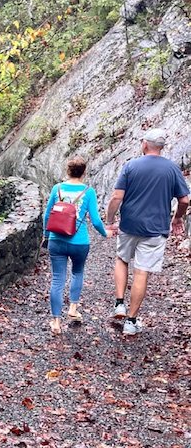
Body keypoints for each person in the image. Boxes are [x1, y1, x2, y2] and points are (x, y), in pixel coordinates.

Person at [105, 128, 190, 336]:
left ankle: (119, 304)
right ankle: (131, 322)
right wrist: (177, 217)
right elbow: (185, 199)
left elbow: (116, 197)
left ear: (144, 144)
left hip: (129, 225)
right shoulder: (172, 169)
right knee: (142, 271)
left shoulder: (131, 166)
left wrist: (109, 221)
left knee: (122, 259)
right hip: (155, 228)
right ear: (161, 147)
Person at [43, 156, 108, 334]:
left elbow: (47, 215)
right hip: (79, 242)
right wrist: (105, 233)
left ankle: (56, 322)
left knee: (57, 279)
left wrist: (46, 235)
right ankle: (72, 308)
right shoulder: (89, 191)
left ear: (67, 170)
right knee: (77, 272)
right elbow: (95, 220)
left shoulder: (57, 189)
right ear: (84, 172)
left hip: (56, 240)